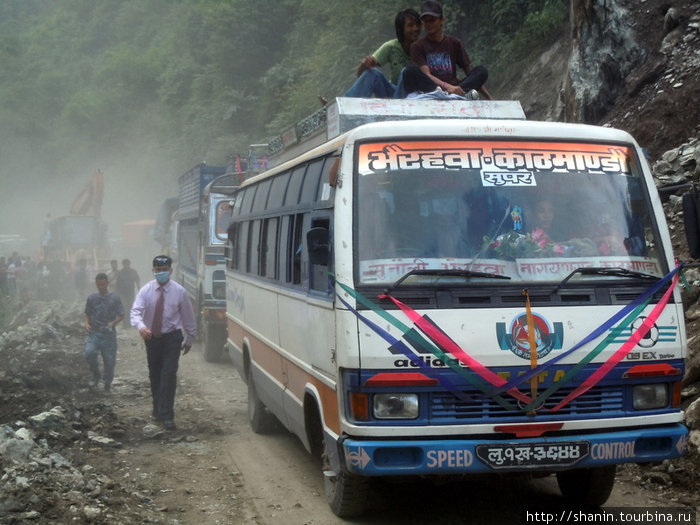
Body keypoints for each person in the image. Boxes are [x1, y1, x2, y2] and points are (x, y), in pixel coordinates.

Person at [130, 255, 196, 431]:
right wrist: (141, 327)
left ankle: (167, 415)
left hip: (172, 337)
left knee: (168, 374)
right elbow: (135, 312)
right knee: (155, 374)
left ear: (170, 270)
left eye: (164, 270)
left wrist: (189, 338)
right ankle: (157, 409)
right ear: (153, 271)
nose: (161, 273)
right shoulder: (146, 291)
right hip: (151, 337)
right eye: (158, 270)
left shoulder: (180, 292)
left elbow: (188, 317)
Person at [402, 0, 492, 99]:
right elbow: (426, 75)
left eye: (432, 20)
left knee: (481, 71)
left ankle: (452, 95)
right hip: (433, 89)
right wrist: (447, 87)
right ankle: (447, 95)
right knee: (409, 71)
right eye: (425, 21)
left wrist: (489, 97)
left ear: (442, 20)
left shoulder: (454, 43)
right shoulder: (417, 46)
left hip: (456, 87)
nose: (428, 24)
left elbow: (469, 71)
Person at [344, 8, 422, 99]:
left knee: (407, 71)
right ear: (401, 29)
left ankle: (395, 104)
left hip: (416, 96)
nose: (416, 28)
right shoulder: (391, 46)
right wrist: (365, 64)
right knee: (373, 73)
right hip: (394, 92)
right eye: (411, 25)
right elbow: (361, 75)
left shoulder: (424, 47)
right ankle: (342, 105)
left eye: (418, 24)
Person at [84, 273, 124, 391]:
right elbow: (87, 313)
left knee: (110, 360)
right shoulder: (91, 298)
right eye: (99, 285)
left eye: (103, 284)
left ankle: (107, 382)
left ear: (107, 283)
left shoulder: (115, 298)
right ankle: (96, 375)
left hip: (108, 334)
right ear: (96, 284)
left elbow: (121, 315)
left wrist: (113, 323)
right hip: (94, 333)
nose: (101, 287)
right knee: (89, 353)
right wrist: (87, 324)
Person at [116, 258, 140, 326]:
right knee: (124, 308)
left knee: (131, 308)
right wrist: (117, 293)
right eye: (125, 264)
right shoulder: (120, 273)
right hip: (122, 294)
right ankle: (125, 323)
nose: (127, 265)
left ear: (129, 264)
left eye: (128, 264)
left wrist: (139, 291)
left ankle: (131, 322)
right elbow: (117, 284)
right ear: (123, 264)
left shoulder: (133, 272)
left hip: (131, 293)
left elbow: (137, 281)